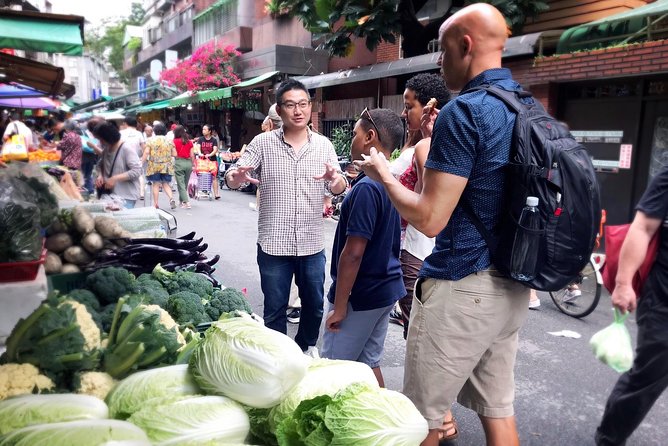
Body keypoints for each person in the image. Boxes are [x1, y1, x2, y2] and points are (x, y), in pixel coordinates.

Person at [357, 4, 530, 445]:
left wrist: (383, 177)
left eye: (442, 50)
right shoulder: (525, 105)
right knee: (497, 411)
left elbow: (430, 219)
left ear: (465, 46)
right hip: (512, 283)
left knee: (421, 420)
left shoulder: (466, 111)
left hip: (462, 285)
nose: (439, 60)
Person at [225, 78, 347, 356]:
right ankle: (277, 357)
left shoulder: (323, 146)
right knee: (275, 307)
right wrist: (236, 176)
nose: (298, 111)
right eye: (290, 105)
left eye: (303, 104)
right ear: (279, 111)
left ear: (309, 106)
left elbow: (338, 188)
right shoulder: (263, 143)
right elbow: (234, 178)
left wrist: (335, 179)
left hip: (311, 243)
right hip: (273, 244)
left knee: (314, 304)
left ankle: (305, 348)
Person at [322, 108, 405, 387]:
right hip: (384, 290)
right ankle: (387, 421)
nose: (352, 140)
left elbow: (354, 253)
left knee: (331, 370)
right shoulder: (389, 180)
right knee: (368, 364)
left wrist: (341, 306)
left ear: (370, 137)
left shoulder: (368, 187)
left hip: (360, 295)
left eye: (355, 134)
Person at [595, 164, 668, 446]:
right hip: (663, 298)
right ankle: (610, 438)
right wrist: (624, 283)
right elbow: (643, 227)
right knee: (649, 375)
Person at [389, 73, 451, 336]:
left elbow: (431, 197)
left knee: (416, 331)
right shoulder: (421, 144)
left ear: (429, 108)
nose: (404, 114)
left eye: (408, 106)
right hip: (412, 245)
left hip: (418, 249)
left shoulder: (427, 147)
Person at [93, 121, 142, 209]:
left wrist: (115, 178)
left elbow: (137, 171)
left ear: (107, 137)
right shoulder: (107, 149)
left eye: (100, 139)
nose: (100, 142)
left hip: (126, 197)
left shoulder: (126, 148)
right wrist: (100, 175)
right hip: (110, 195)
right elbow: (101, 164)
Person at [142, 122, 177, 209]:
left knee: (156, 184)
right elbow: (175, 154)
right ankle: (171, 198)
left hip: (154, 165)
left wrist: (142, 162)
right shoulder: (169, 141)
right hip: (166, 166)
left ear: (154, 131)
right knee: (166, 184)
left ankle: (156, 203)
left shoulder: (150, 140)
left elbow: (146, 152)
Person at [120, 116, 147, 199]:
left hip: (123, 158)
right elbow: (144, 148)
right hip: (136, 158)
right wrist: (143, 159)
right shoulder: (139, 134)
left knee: (124, 174)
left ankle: (125, 193)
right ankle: (141, 193)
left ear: (125, 123)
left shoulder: (121, 133)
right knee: (139, 175)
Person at [196, 124, 221, 199]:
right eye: (203, 129)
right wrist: (200, 153)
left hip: (212, 161)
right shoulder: (200, 139)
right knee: (201, 175)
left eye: (205, 129)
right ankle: (202, 190)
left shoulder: (213, 140)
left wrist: (210, 155)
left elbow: (215, 149)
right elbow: (198, 148)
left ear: (209, 131)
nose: (203, 131)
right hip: (202, 161)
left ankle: (216, 194)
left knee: (214, 177)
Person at [173, 125, 194, 209]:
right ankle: (181, 201)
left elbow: (173, 153)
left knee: (180, 184)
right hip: (188, 163)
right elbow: (192, 155)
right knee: (184, 184)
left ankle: (187, 202)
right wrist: (193, 164)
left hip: (179, 162)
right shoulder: (189, 142)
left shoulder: (174, 141)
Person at [57, 119, 83, 185]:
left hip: (68, 162)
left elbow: (60, 146)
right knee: (73, 182)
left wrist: (56, 144)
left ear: (66, 127)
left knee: (66, 182)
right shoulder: (78, 136)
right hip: (77, 162)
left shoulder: (67, 135)